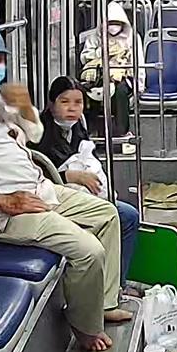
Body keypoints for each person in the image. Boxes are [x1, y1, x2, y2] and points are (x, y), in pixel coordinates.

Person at [0, 25, 132, 352]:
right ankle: (84, 325)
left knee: (108, 215)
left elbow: (36, 136)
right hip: (2, 213)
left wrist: (22, 109)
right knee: (89, 250)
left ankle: (103, 304)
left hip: (38, 189)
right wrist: (2, 200)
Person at [36, 75, 140, 281]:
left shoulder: (77, 127)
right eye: (64, 102)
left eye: (78, 102)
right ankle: (106, 285)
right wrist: (69, 176)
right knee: (122, 217)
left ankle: (117, 283)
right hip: (53, 202)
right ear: (51, 104)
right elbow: (34, 176)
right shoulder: (38, 133)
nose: (72, 108)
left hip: (84, 196)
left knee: (129, 215)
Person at [79, 1, 136, 143]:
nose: (113, 27)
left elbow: (137, 63)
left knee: (119, 92)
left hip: (122, 75)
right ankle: (90, 129)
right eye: (110, 23)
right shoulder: (95, 37)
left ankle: (121, 131)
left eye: (116, 23)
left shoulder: (131, 38)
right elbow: (84, 57)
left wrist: (139, 86)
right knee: (89, 92)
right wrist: (102, 52)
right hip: (98, 74)